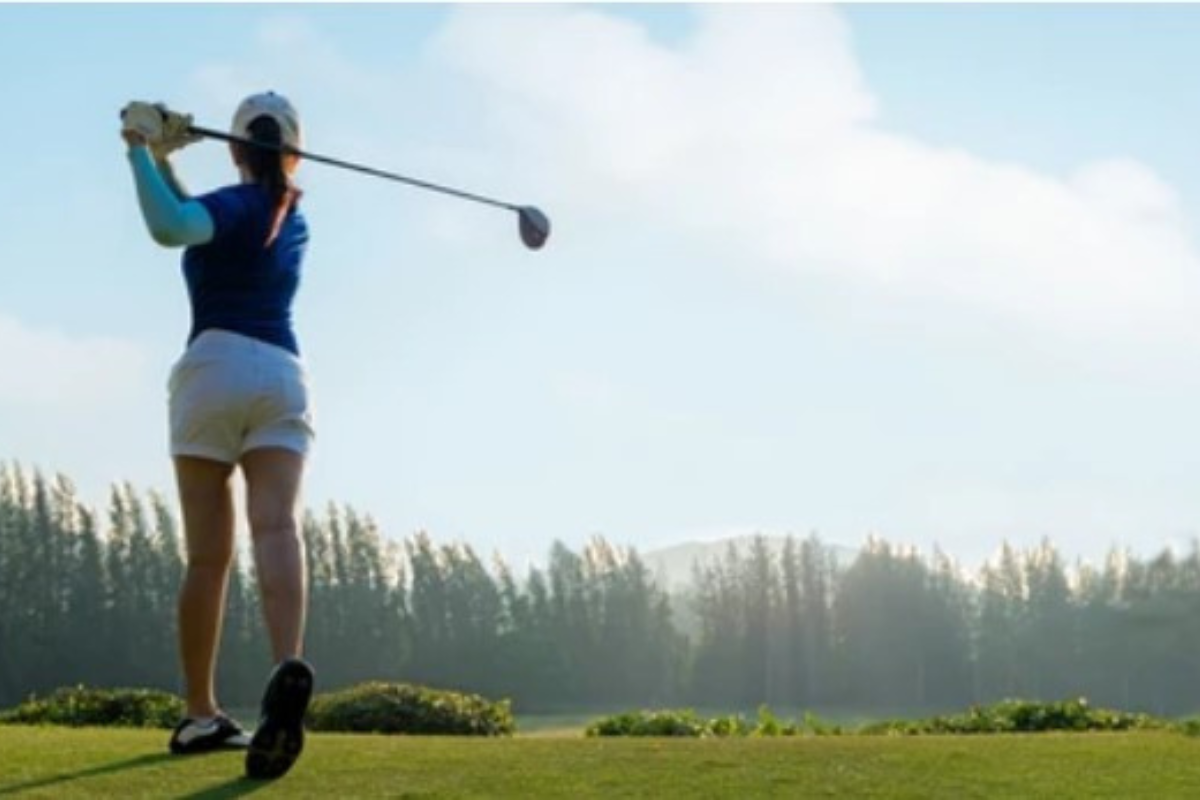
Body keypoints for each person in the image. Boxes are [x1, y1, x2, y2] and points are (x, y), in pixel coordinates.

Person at [120, 92, 315, 780]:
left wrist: (138, 149)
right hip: (282, 373)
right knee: (277, 529)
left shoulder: (231, 206)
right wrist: (167, 162)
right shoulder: (293, 218)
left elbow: (173, 227)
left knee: (209, 558)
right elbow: (198, 214)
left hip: (212, 368)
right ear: (292, 150)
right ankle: (287, 669)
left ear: (235, 149)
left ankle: (201, 713)